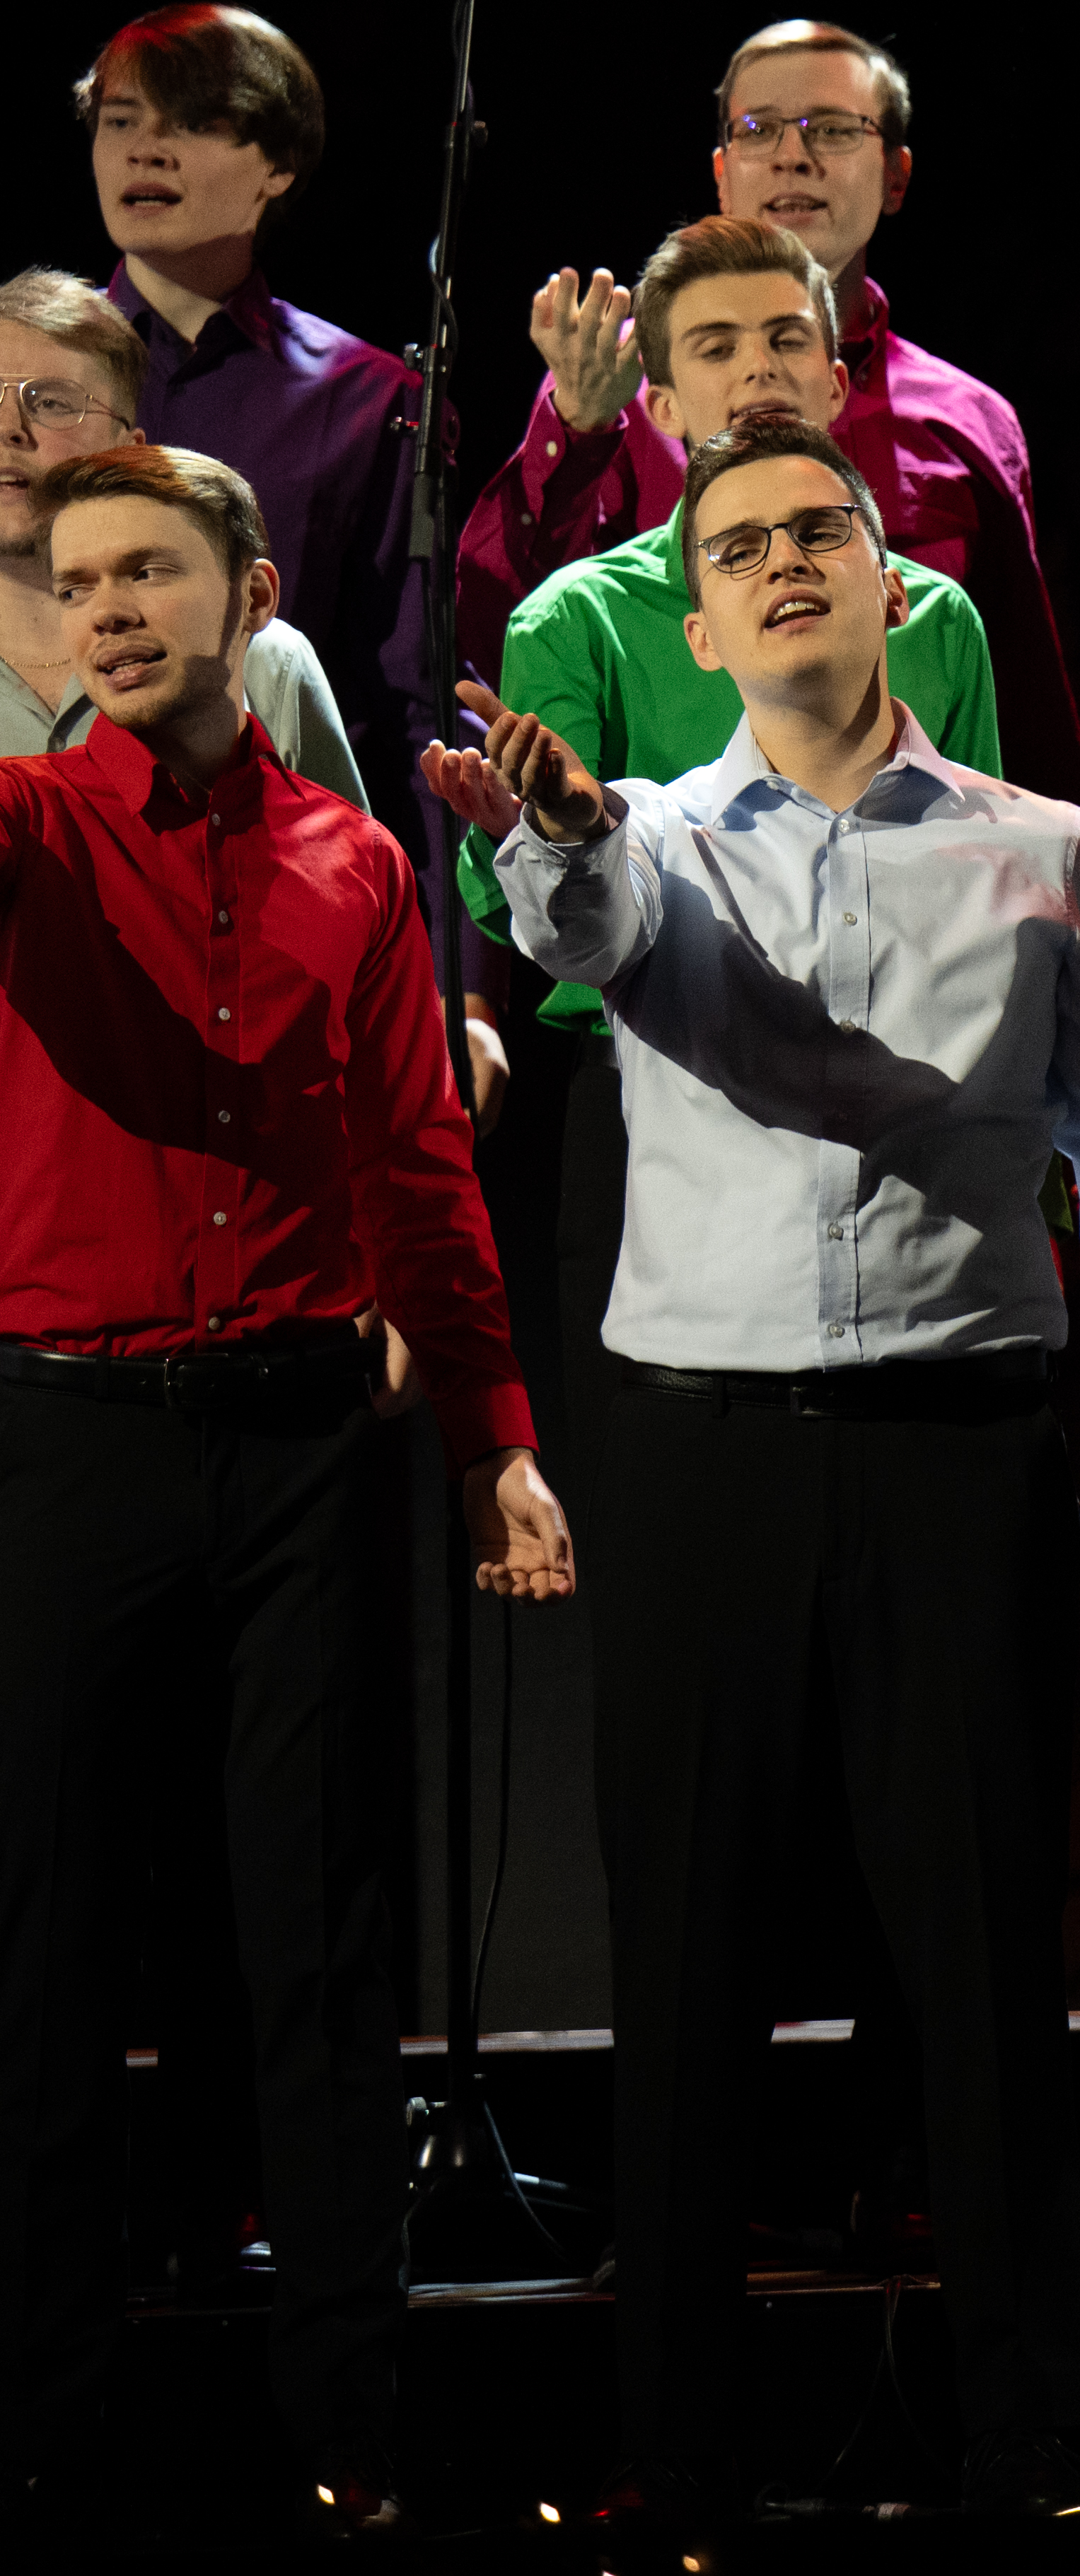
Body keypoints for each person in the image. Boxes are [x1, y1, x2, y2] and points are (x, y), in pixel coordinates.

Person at [434, 415, 1080, 2527]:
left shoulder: (1048, 850)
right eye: (739, 546)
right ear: (697, 620)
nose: (782, 563)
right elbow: (582, 932)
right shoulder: (656, 834)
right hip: (700, 1461)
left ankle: (1030, 2437)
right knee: (685, 1968)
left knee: (975, 1960)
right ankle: (671, 2449)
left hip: (964, 1447)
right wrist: (555, 832)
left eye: (818, 534)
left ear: (893, 587)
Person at [0, 443, 570, 2543]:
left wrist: (498, 1440)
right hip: (63, 1433)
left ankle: (354, 2421)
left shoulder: (353, 860)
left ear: (248, 594)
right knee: (50, 1934)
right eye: (78, 582)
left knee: (320, 1936)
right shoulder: (30, 827)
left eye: (150, 570)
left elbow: (417, 1161)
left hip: (301, 1437)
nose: (113, 607)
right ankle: (40, 2409)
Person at [452, 220, 1009, 1503]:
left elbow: (990, 872)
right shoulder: (579, 617)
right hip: (661, 1098)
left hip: (909, 1085)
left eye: (784, 337)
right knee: (682, 1525)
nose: (754, 366)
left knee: (919, 1511)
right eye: (713, 345)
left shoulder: (932, 611)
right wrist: (538, 837)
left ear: (835, 377)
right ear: (656, 399)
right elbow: (539, 917)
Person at [468, 17, 1080, 846]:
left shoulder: (970, 422)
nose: (793, 155)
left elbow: (1028, 708)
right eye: (760, 129)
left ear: (896, 173)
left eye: (835, 129)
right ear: (721, 171)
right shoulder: (621, 389)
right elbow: (512, 631)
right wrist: (579, 426)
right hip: (664, 904)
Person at [67, 10, 424, 847]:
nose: (146, 150)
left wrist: (455, 966)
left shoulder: (366, 394)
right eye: (122, 121)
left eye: (194, 122)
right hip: (63, 861)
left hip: (284, 862)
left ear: (277, 165)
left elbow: (409, 698)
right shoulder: (30, 376)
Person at [0, 269, 366, 783]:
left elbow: (344, 856)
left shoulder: (258, 657)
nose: (9, 429)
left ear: (131, 452)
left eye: (52, 402)